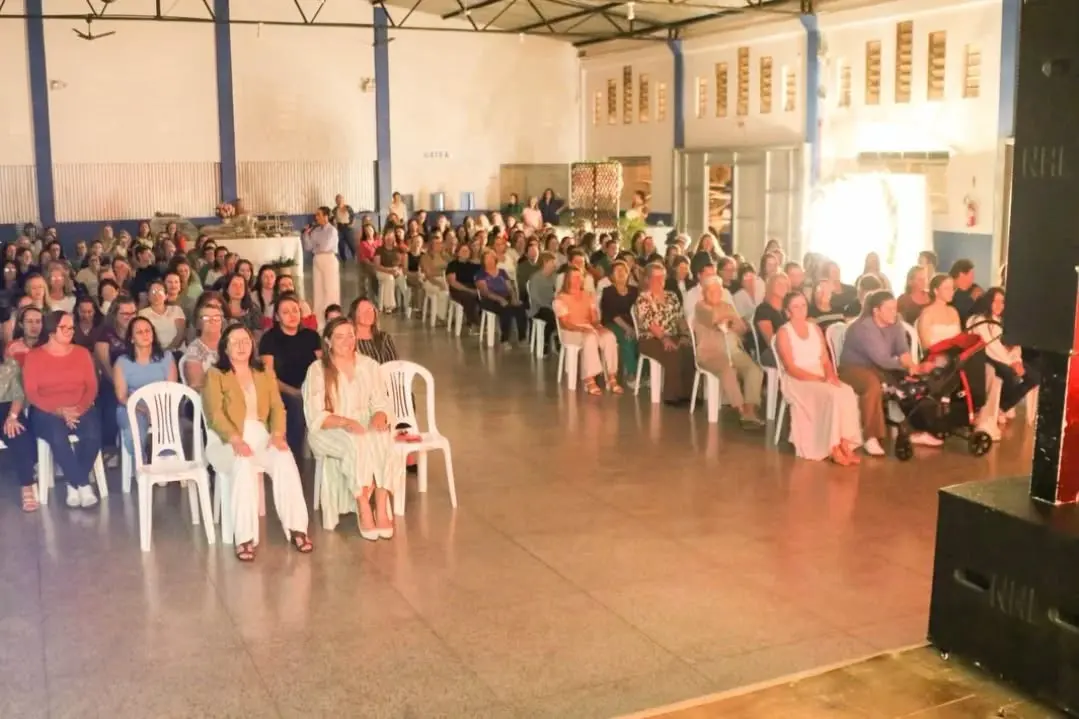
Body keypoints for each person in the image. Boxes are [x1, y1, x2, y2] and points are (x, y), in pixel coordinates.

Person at [202, 324, 313, 561]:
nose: (242, 346)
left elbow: (277, 407)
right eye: (235, 342)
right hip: (225, 439)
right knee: (242, 464)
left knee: (284, 458)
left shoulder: (263, 373)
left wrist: (277, 435)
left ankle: (297, 528)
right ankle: (244, 537)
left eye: (246, 341)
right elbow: (215, 415)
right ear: (225, 347)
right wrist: (235, 440)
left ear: (252, 345)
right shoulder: (215, 375)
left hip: (260, 434)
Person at [302, 318, 403, 538]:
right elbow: (315, 415)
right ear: (328, 341)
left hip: (363, 422)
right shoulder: (318, 370)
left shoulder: (369, 365)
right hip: (328, 428)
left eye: (350, 335)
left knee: (384, 437)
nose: (347, 341)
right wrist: (345, 422)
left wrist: (380, 415)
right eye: (340, 336)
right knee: (355, 441)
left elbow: (381, 401)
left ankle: (381, 500)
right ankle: (363, 505)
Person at [838, 290, 939, 456]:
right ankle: (870, 437)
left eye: (895, 308)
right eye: (889, 309)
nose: (894, 312)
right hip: (853, 368)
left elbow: (902, 350)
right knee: (872, 385)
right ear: (876, 311)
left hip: (880, 367)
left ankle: (914, 430)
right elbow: (882, 359)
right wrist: (909, 367)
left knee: (912, 383)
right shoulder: (865, 328)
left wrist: (912, 367)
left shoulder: (895, 323)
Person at [24, 311, 102, 508]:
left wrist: (77, 409)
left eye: (71, 328)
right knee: (58, 436)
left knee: (93, 435)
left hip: (80, 407)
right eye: (64, 327)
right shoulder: (34, 357)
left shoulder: (82, 353)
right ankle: (82, 484)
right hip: (46, 411)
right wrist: (60, 411)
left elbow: (92, 387)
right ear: (51, 330)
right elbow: (32, 393)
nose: (69, 331)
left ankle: (72, 483)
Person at [775, 291, 863, 464]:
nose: (801, 309)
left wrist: (830, 376)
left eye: (803, 305)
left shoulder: (814, 328)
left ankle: (845, 442)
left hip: (820, 374)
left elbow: (824, 358)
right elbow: (790, 367)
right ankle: (833, 447)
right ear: (787, 312)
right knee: (832, 395)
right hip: (798, 379)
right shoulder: (784, 333)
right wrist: (818, 379)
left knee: (846, 391)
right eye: (796, 306)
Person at [692, 276, 765, 428]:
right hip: (711, 353)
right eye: (711, 290)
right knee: (727, 369)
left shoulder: (727, 306)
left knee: (754, 370)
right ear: (704, 292)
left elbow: (742, 328)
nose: (716, 293)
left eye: (718, 290)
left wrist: (730, 322)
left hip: (733, 351)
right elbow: (713, 318)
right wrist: (728, 319)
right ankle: (742, 410)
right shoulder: (700, 307)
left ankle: (750, 409)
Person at [258, 292, 321, 462]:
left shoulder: (311, 336)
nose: (292, 315)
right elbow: (268, 375)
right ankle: (293, 460)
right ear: (277, 317)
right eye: (285, 312)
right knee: (296, 405)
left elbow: (322, 368)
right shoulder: (269, 339)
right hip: (282, 391)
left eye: (295, 310)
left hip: (311, 389)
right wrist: (294, 392)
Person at [967, 288, 1041, 430]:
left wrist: (1017, 360)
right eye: (996, 301)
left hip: (1007, 359)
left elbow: (1015, 345)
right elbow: (992, 346)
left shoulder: (1002, 322)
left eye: (1002, 302)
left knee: (1034, 377)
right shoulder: (980, 321)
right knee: (1009, 374)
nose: (999, 305)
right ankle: (991, 411)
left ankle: (1002, 407)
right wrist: (1011, 363)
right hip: (988, 358)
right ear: (989, 302)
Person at [113, 317, 177, 459]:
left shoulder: (166, 357)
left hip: (162, 405)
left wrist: (157, 411)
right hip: (132, 406)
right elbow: (122, 397)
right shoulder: (122, 362)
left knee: (170, 426)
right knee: (133, 433)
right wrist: (145, 410)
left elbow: (172, 391)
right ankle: (141, 461)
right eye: (139, 332)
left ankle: (164, 460)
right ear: (131, 338)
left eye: (148, 331)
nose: (145, 335)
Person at [635, 262, 696, 405]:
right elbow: (650, 324)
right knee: (671, 352)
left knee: (688, 350)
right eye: (655, 278)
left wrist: (685, 335)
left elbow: (680, 318)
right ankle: (672, 395)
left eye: (662, 277)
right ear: (648, 279)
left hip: (673, 335)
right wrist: (664, 339)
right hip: (651, 338)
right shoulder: (643, 298)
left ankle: (688, 394)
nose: (659, 281)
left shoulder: (672, 296)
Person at [555, 266, 621, 395]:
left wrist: (598, 326)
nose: (577, 280)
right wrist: (582, 329)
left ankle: (611, 377)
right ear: (567, 280)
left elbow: (594, 318)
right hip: (571, 331)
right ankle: (589, 379)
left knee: (609, 336)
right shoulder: (561, 298)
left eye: (579, 277)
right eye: (574, 277)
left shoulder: (588, 295)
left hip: (588, 327)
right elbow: (565, 323)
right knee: (590, 338)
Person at [0, 358, 38, 511]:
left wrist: (13, 416)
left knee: (20, 435)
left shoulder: (10, 365)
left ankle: (27, 485)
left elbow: (18, 394)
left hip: (7, 410)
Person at [600, 260, 639, 386]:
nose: (621, 273)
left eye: (624, 270)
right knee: (627, 338)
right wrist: (628, 328)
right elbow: (613, 314)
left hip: (633, 324)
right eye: (617, 271)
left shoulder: (634, 291)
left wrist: (636, 328)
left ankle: (643, 373)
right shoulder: (608, 291)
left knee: (643, 339)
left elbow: (639, 311)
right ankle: (632, 375)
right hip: (613, 323)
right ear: (611, 276)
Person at [476, 249, 528, 345]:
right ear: (483, 261)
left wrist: (513, 298)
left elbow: (510, 288)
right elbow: (485, 292)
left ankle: (522, 337)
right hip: (489, 299)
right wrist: (500, 299)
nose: (490, 260)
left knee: (520, 307)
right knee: (506, 309)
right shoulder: (480, 274)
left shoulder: (502, 272)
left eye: (491, 258)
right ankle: (504, 339)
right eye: (487, 258)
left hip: (505, 296)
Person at [302, 206, 340, 327]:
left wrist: (316, 246)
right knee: (318, 290)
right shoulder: (316, 231)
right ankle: (319, 321)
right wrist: (306, 235)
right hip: (317, 260)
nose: (316, 217)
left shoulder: (332, 231)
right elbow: (308, 247)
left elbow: (325, 246)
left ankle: (332, 318)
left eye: (319, 215)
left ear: (326, 216)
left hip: (328, 258)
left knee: (330, 290)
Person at [181, 297, 225, 391]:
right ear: (198, 324)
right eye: (206, 317)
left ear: (222, 321)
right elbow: (197, 385)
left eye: (216, 317)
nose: (212, 321)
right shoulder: (194, 349)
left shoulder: (231, 343)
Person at [752, 272, 791, 367]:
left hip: (790, 348)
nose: (783, 287)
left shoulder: (787, 309)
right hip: (771, 352)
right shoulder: (763, 309)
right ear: (770, 286)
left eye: (785, 284)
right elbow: (770, 341)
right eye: (779, 284)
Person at [139, 278, 186, 351]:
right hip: (154, 352)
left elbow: (180, 334)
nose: (156, 295)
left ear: (166, 295)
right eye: (153, 292)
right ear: (148, 296)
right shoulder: (142, 313)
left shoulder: (176, 310)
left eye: (160, 291)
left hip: (177, 350)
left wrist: (168, 351)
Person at [351, 298, 399, 364]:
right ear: (354, 314)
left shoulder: (384, 337)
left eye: (370, 310)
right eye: (363, 311)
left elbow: (394, 364)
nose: (368, 313)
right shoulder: (350, 340)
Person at [949, 259, 978, 324]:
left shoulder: (974, 288)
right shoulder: (948, 291)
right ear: (961, 275)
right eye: (971, 275)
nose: (973, 278)